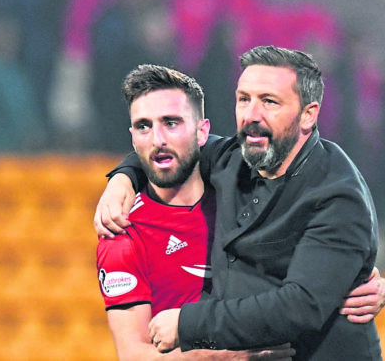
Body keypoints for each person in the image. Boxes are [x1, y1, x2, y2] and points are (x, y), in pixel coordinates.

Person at [95, 46, 385, 360]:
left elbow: (299, 306)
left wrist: (188, 324)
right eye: (244, 99)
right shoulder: (235, 158)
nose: (251, 116)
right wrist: (121, 179)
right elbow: (170, 148)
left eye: (269, 102)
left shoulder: (336, 195)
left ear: (308, 114)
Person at [97, 64, 296, 360]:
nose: (157, 139)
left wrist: (369, 282)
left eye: (171, 123)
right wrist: (229, 355)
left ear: (202, 132)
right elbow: (133, 355)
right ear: (132, 137)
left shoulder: (245, 198)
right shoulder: (123, 234)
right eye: (144, 126)